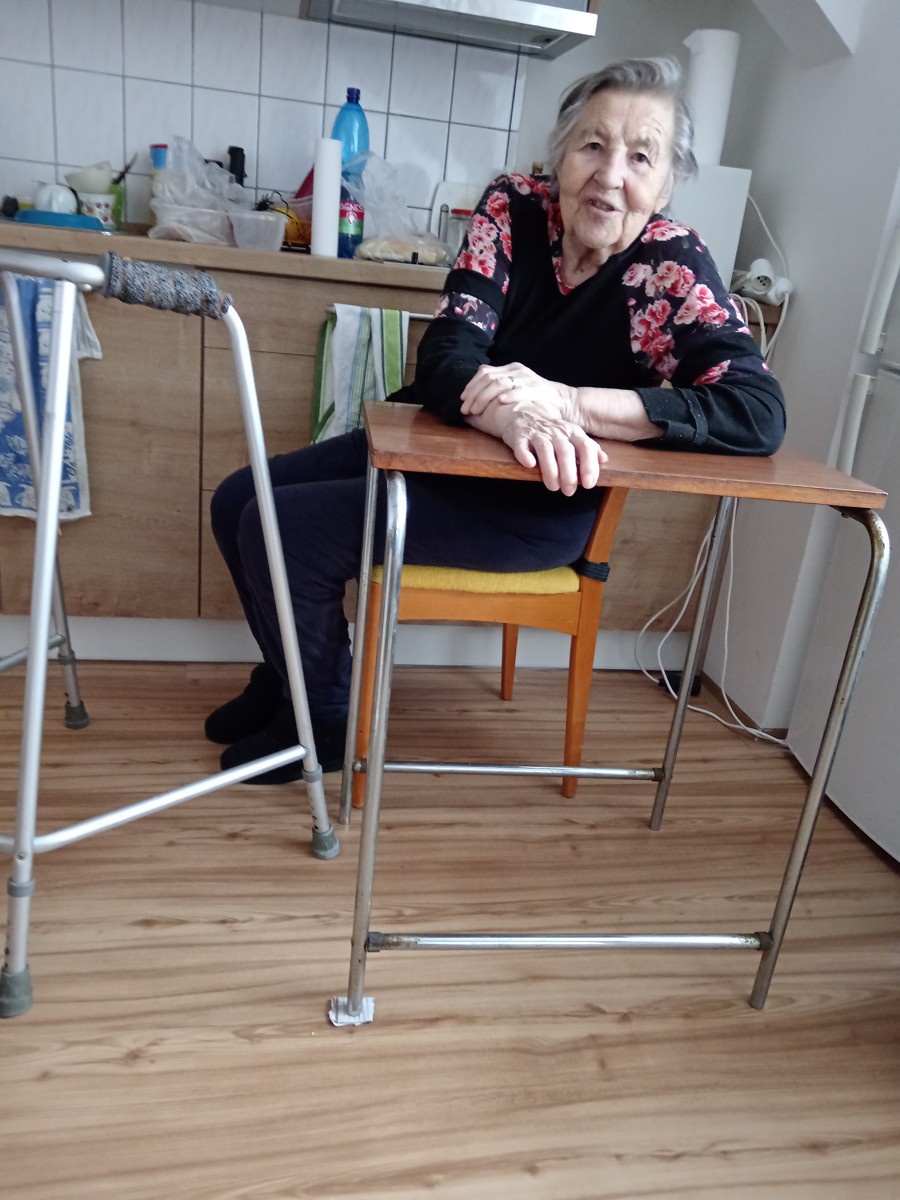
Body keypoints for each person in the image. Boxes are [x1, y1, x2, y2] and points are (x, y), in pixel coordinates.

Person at [207, 56, 785, 783]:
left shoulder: (671, 264)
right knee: (237, 498)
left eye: (642, 156)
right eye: (594, 144)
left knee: (287, 530)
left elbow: (756, 411)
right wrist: (512, 414)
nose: (610, 175)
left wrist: (569, 402)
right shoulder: (514, 206)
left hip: (536, 504)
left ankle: (322, 720)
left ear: (666, 184)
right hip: (435, 447)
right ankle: (286, 675)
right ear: (561, 154)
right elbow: (448, 350)